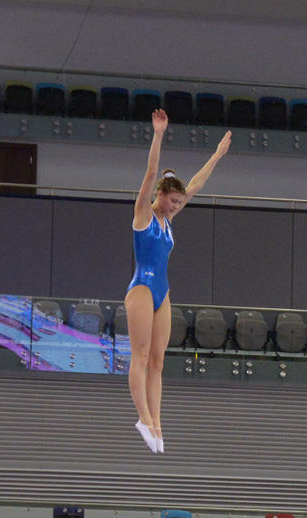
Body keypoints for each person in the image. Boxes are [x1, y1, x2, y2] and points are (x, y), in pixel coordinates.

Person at [126, 109, 232, 454]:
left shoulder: (171, 218)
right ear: (159, 195)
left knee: (158, 361)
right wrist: (158, 135)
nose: (175, 208)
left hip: (162, 292)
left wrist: (216, 155)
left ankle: (156, 423)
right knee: (140, 356)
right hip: (141, 288)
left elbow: (196, 184)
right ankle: (142, 418)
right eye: (172, 202)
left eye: (179, 204)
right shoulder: (144, 214)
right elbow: (151, 172)